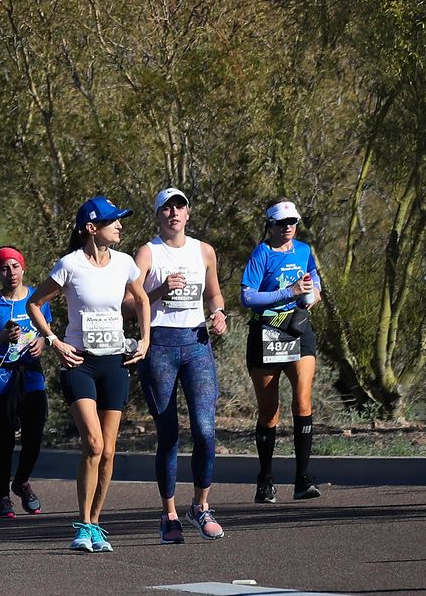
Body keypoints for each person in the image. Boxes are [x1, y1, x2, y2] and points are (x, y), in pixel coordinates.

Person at [29, 195, 152, 553]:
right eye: (113, 221)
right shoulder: (69, 265)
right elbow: (33, 304)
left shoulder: (125, 263)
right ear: (91, 228)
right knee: (93, 444)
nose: (120, 226)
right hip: (80, 363)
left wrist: (144, 340)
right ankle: (82, 526)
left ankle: (96, 524)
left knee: (110, 451)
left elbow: (141, 299)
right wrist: (53, 341)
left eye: (119, 220)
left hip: (116, 361)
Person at [137, 188, 229, 541]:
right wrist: (158, 290)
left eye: (180, 207)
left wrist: (218, 313)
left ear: (188, 214)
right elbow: (130, 305)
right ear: (158, 214)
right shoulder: (147, 253)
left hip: (196, 344)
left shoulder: (203, 251)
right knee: (169, 435)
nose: (174, 212)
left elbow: (214, 293)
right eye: (167, 208)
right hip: (159, 344)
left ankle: (200, 506)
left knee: (206, 431)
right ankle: (169, 515)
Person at [241, 198, 325, 505]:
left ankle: (303, 479)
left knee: (303, 399)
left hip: (297, 328)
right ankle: (265, 479)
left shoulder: (303, 250)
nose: (288, 228)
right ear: (270, 225)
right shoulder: (261, 254)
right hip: (266, 331)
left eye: (293, 223)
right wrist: (286, 292)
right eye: (281, 223)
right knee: (269, 411)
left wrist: (312, 293)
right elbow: (247, 296)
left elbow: (313, 277)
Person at [0, 245, 50, 519]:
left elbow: (45, 331)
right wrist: (1, 339)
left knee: (35, 436)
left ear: (23, 268)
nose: (11, 273)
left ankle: (22, 481)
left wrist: (42, 342)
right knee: (4, 441)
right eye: (4, 268)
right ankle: (3, 497)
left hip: (31, 376)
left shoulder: (37, 298)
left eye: (15, 266)